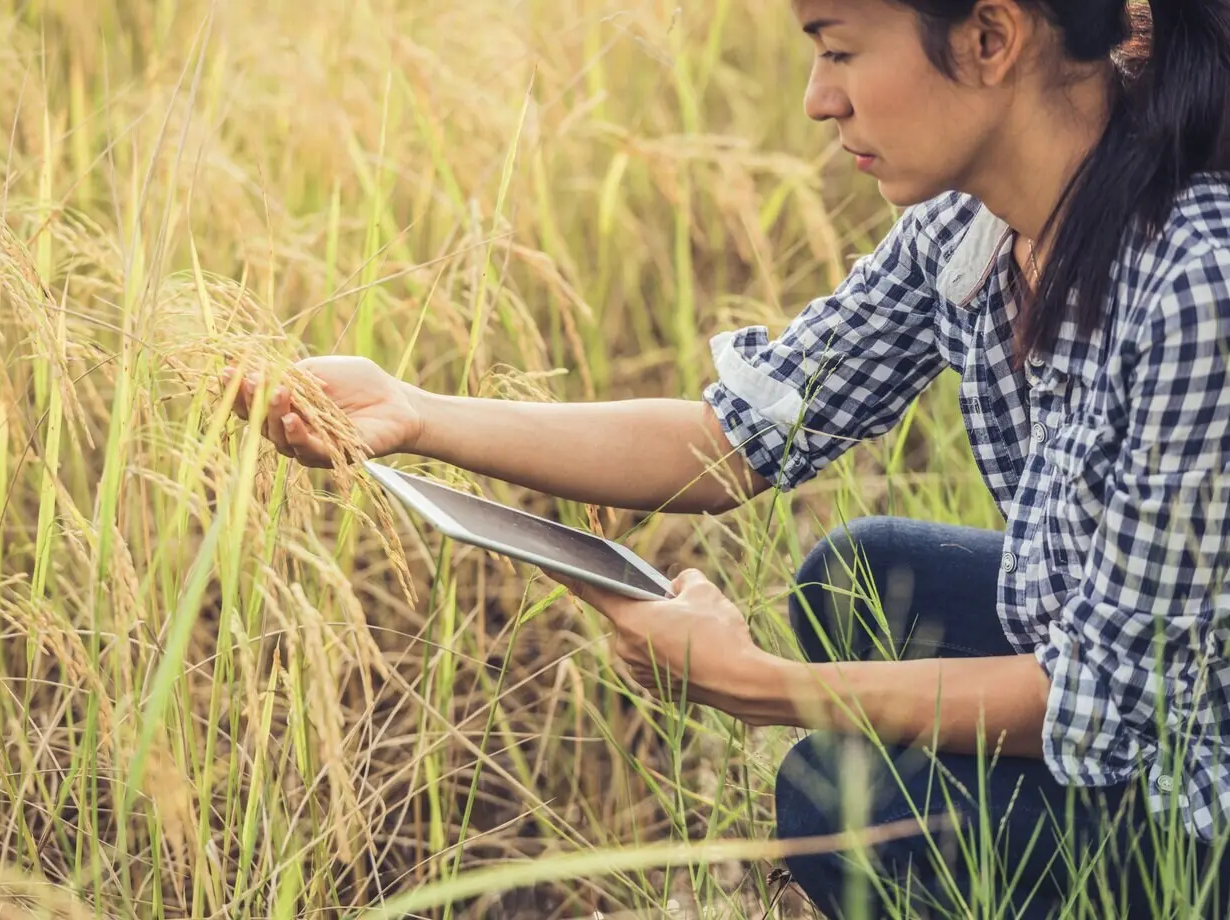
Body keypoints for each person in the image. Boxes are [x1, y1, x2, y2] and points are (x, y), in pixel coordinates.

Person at [222, 0, 1230, 916]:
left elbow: (1104, 701)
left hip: (1202, 782)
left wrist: (751, 681)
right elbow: (728, 442)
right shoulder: (967, 223)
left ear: (989, 38)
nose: (817, 99)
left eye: (838, 49)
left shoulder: (1196, 282)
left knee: (836, 802)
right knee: (859, 577)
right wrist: (415, 411)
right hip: (1134, 678)